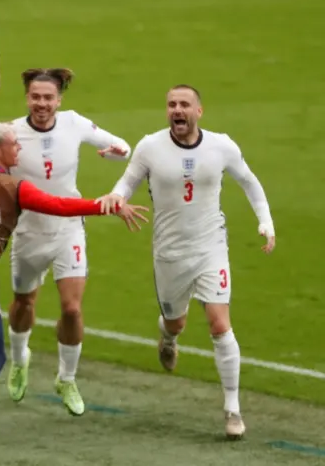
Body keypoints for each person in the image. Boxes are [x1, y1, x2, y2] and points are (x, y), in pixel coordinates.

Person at [0, 123, 149, 448]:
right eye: (13, 145)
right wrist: (106, 205)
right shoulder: (14, 187)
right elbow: (59, 206)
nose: (19, 149)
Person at [104, 84, 276, 440]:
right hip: (169, 253)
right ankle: (167, 337)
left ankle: (232, 409)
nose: (176, 110)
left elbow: (249, 181)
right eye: (171, 104)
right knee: (176, 321)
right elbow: (126, 182)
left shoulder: (222, 145)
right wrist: (116, 198)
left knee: (218, 325)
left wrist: (266, 221)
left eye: (184, 104)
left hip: (211, 247)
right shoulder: (150, 146)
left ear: (199, 111)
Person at [2, 68, 135, 416]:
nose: (42, 103)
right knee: (23, 303)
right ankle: (19, 360)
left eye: (48, 97)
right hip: (28, 231)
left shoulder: (74, 123)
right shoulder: (11, 132)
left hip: (68, 229)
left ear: (59, 100)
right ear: (27, 98)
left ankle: (67, 377)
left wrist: (114, 152)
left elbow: (123, 147)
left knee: (72, 308)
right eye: (36, 96)